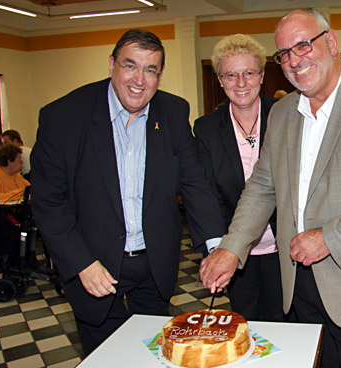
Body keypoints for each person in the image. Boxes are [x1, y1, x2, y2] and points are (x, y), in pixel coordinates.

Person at [200, 8, 341, 368]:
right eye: (284, 53)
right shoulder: (284, 112)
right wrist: (231, 247)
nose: (293, 60)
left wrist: (329, 238)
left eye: (302, 45)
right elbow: (262, 187)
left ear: (331, 42)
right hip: (297, 284)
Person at [30, 29, 226, 355]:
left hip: (154, 267)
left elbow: (195, 183)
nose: (139, 79)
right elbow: (48, 201)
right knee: (108, 359)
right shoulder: (63, 117)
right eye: (130, 65)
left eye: (150, 70)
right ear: (112, 65)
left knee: (153, 356)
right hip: (95, 268)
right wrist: (81, 263)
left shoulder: (173, 113)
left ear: (160, 75)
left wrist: (216, 248)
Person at [193, 34, 284, 322]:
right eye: (231, 75)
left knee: (289, 325)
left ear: (261, 75)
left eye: (248, 73)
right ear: (220, 80)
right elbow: (207, 194)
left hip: (286, 247)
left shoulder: (286, 115)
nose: (241, 83)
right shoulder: (206, 128)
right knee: (247, 324)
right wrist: (218, 249)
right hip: (236, 251)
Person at [0, 143, 29, 266]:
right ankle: (14, 264)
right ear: (9, 161)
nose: (22, 164)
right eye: (19, 161)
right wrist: (20, 192)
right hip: (2, 217)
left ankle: (27, 260)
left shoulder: (17, 176)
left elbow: (29, 189)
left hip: (17, 212)